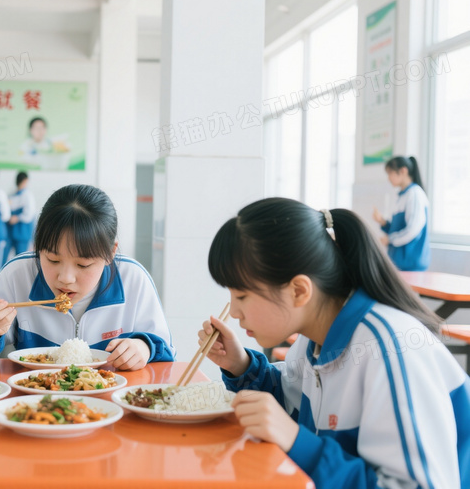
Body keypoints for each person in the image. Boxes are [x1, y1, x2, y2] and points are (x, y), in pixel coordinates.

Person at [197, 197, 468, 488]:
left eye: (241, 296)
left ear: (299, 291)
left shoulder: (389, 349)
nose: (234, 312)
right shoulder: (313, 341)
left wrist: (298, 443)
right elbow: (288, 402)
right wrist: (241, 366)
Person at [0, 184, 175, 371]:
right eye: (52, 260)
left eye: (83, 264)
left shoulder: (132, 279)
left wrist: (144, 347)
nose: (65, 278)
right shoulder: (19, 274)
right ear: (37, 247)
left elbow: (166, 354)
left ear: (110, 253)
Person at [373, 156, 430, 271]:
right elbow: (397, 229)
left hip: (410, 264)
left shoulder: (414, 194)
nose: (389, 178)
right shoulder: (403, 196)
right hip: (399, 262)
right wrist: (383, 222)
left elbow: (412, 230)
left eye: (390, 173)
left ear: (403, 171)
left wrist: (390, 239)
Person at [3, 171, 36, 264]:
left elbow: (29, 215)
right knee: (5, 260)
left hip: (22, 233)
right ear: (26, 180)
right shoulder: (11, 195)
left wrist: (17, 218)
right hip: (11, 233)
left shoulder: (27, 196)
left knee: (21, 261)